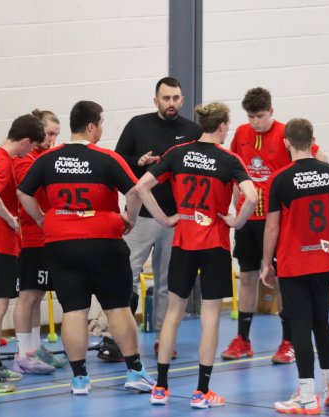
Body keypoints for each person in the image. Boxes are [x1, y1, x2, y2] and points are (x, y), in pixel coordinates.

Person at [17, 101, 155, 395]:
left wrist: (42, 218)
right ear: (91, 126)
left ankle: (80, 378)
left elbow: (23, 191)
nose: (102, 128)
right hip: (103, 241)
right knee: (117, 308)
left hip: (61, 244)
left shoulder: (48, 159)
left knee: (74, 311)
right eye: (101, 123)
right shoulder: (106, 158)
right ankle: (135, 371)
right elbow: (135, 191)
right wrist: (130, 218)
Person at [136, 102, 257, 408]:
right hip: (215, 245)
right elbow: (252, 196)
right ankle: (202, 392)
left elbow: (141, 186)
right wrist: (237, 222)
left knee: (173, 313)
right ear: (222, 126)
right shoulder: (229, 159)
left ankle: (160, 387)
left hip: (183, 242)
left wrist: (165, 219)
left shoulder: (177, 153)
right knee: (210, 316)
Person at [221, 87, 325, 365]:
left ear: (271, 111)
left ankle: (288, 341)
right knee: (248, 276)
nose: (255, 122)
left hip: (277, 220)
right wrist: (236, 205)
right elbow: (234, 171)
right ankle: (243, 340)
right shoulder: (242, 133)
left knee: (279, 279)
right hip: (248, 219)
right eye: (251, 116)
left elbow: (321, 160)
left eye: (260, 116)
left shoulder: (285, 133)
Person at [260, 118, 329, 414]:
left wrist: (266, 263)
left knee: (300, 324)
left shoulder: (280, 179)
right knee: (321, 321)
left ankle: (308, 397)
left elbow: (271, 227)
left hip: (294, 263)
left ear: (286, 142)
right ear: (313, 140)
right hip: (323, 260)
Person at [114, 76, 202, 359]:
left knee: (167, 281)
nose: (171, 103)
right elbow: (117, 161)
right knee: (126, 274)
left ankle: (164, 338)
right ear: (156, 101)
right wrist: (138, 162)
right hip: (140, 217)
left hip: (175, 217)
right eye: (166, 98)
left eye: (175, 98)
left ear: (182, 100)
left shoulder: (192, 131)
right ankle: (119, 337)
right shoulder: (138, 125)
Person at [0, 114, 46, 392]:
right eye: (32, 146)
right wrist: (10, 219)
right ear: (25, 140)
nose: (30, 152)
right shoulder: (4, 159)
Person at [12, 109, 66, 375]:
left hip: (47, 237)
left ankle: (33, 348)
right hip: (31, 237)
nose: (52, 140)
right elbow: (30, 190)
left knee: (38, 295)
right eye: (49, 134)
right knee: (28, 295)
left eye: (56, 134)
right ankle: (22, 354)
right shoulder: (25, 160)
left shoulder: (44, 157)